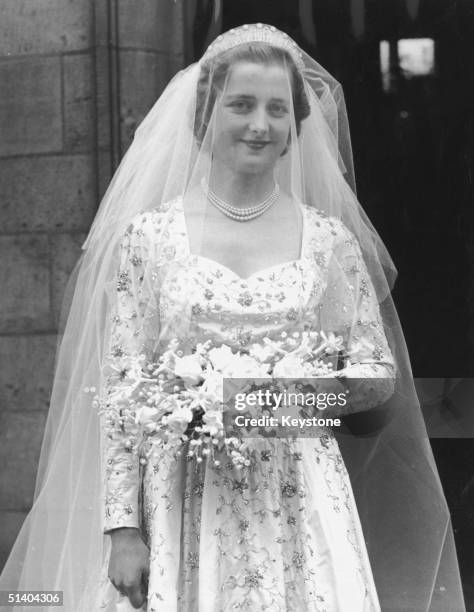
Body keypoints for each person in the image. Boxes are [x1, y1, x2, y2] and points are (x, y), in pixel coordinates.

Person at [0, 24, 465, 612]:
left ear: (295, 125)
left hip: (298, 495)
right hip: (181, 499)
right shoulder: (149, 239)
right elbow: (121, 391)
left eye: (277, 109)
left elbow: (377, 376)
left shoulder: (328, 241)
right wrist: (122, 529)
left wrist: (278, 396)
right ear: (205, 115)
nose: (259, 125)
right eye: (241, 105)